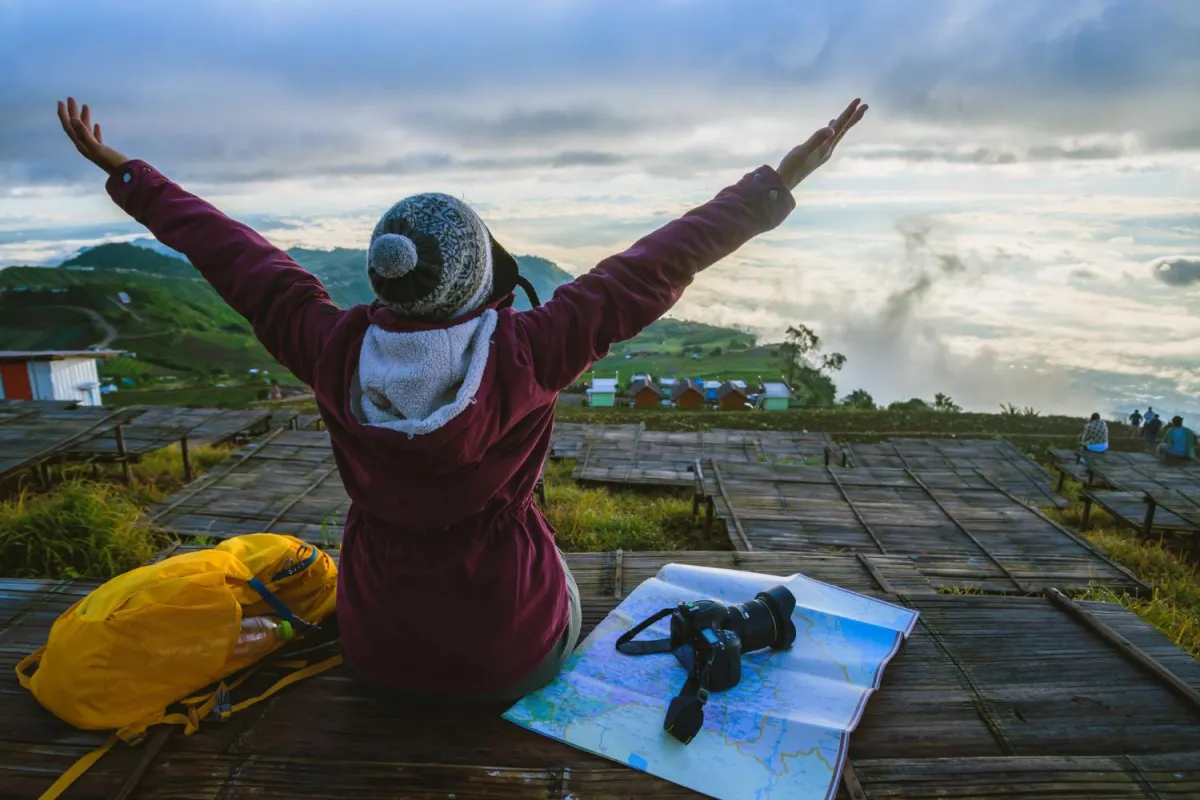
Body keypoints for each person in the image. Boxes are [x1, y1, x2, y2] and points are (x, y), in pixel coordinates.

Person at [56, 96, 868, 701]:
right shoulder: (529, 349)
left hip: (375, 654)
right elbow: (656, 262)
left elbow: (232, 253)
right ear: (482, 276)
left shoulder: (327, 345)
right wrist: (776, 183)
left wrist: (129, 175)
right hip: (508, 656)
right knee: (561, 577)